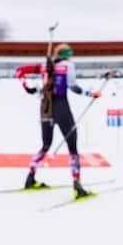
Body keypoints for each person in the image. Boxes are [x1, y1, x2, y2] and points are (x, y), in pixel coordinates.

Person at [22, 43, 100, 197]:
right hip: (61, 106)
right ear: (67, 54)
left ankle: (30, 177)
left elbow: (20, 71)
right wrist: (91, 94)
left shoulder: (45, 65)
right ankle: (77, 185)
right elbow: (73, 86)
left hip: (45, 107)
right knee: (72, 147)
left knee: (45, 145)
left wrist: (27, 87)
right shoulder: (68, 65)